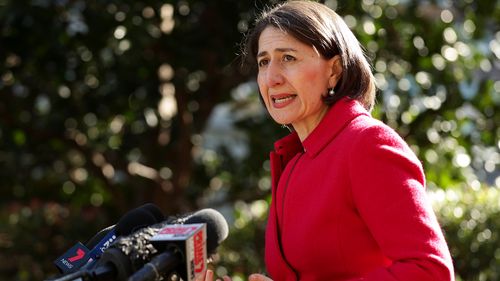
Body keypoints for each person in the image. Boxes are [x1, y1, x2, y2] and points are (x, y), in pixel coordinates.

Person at [204, 0, 454, 280]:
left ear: (334, 70)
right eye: (264, 62)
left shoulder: (367, 144)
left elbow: (430, 271)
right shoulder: (295, 160)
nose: (271, 78)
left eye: (288, 58)